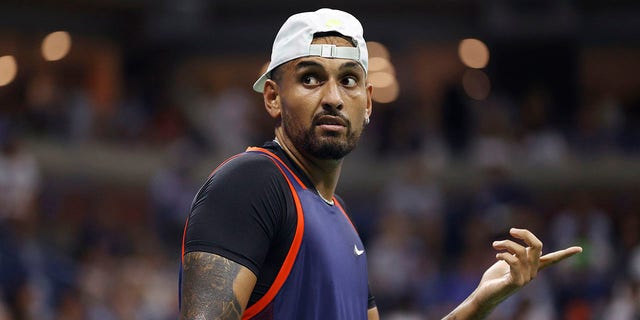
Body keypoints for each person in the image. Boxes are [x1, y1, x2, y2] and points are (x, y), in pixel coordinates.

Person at [179, 8, 582, 320]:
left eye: (349, 80)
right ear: (272, 97)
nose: (334, 97)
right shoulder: (251, 184)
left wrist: (477, 303)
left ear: (368, 103)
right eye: (310, 78)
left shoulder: (345, 225)